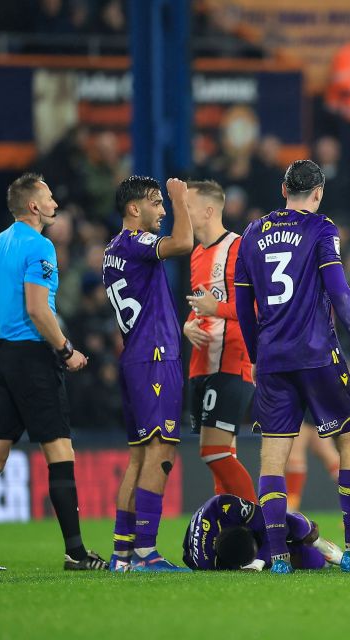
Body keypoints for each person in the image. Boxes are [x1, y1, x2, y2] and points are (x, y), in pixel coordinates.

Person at [234, 159, 350, 574]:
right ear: (317, 193)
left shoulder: (252, 232)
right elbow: (338, 290)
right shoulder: (321, 228)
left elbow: (245, 306)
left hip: (274, 359)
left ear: (284, 188)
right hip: (317, 355)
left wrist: (255, 357)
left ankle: (279, 555)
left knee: (272, 457)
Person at [0, 173, 105, 571]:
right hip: (32, 359)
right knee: (60, 452)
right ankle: (76, 553)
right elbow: (39, 310)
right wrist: (66, 350)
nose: (55, 202)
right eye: (49, 197)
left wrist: (6, 312)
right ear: (34, 206)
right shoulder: (40, 246)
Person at [103, 176, 194, 572]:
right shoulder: (136, 242)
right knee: (160, 450)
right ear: (133, 209)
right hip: (155, 354)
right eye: (156, 203)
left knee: (139, 456)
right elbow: (182, 244)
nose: (162, 211)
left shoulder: (110, 251)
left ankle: (122, 554)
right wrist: (180, 200)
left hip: (135, 356)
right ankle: (146, 552)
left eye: (163, 203)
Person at [181, 180, 256, 502]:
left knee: (213, 451)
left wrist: (218, 309)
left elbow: (258, 308)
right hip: (202, 363)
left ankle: (259, 526)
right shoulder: (197, 254)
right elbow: (201, 304)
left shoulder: (239, 248)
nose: (180, 213)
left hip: (232, 361)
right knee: (222, 456)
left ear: (208, 211)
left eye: (187, 206)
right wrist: (188, 325)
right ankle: (233, 535)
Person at [182, 494, 342, 571]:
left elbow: (279, 525)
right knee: (303, 561)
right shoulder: (209, 564)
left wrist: (259, 560)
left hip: (232, 511)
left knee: (299, 529)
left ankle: (318, 543)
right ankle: (316, 556)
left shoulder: (226, 507)